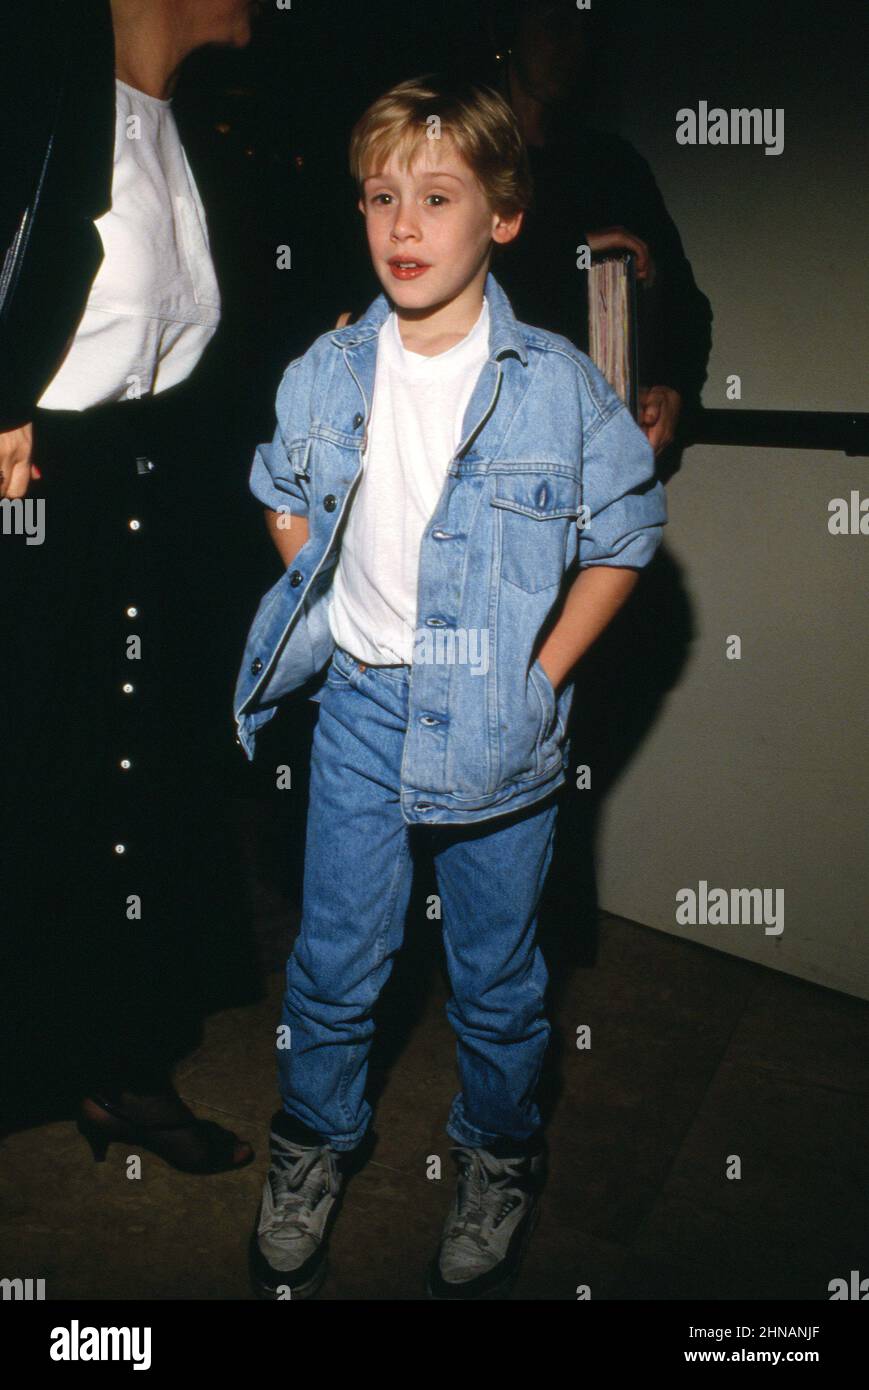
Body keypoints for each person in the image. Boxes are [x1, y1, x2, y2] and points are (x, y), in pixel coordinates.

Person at [233, 73, 667, 1299]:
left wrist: (538, 675)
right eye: (382, 198)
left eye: (437, 197)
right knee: (331, 963)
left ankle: (495, 1157)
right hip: (361, 712)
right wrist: (319, 593)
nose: (404, 226)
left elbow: (625, 535)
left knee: (495, 972)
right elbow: (278, 488)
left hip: (498, 725)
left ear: (505, 217)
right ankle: (312, 1146)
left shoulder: (553, 385)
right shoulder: (327, 369)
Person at [0, 0, 258, 1172]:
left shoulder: (179, 125)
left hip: (143, 495)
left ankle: (111, 1060)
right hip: (35, 486)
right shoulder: (34, 85)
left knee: (127, 790)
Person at [476, 0, 713, 457]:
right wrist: (570, 249)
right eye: (555, 24)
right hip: (490, 448)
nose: (572, 46)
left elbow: (686, 305)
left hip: (597, 457)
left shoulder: (612, 167)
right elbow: (451, 277)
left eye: (584, 29)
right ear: (507, 29)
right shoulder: (464, 164)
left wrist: (674, 389)